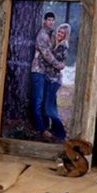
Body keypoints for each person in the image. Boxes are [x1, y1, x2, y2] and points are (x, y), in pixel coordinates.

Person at [30, 12, 67, 141]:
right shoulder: (42, 35)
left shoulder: (51, 36)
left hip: (46, 74)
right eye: (49, 20)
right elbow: (46, 54)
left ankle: (48, 128)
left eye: (53, 20)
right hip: (38, 72)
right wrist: (58, 65)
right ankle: (42, 129)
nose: (51, 22)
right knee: (39, 101)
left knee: (46, 103)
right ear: (44, 21)